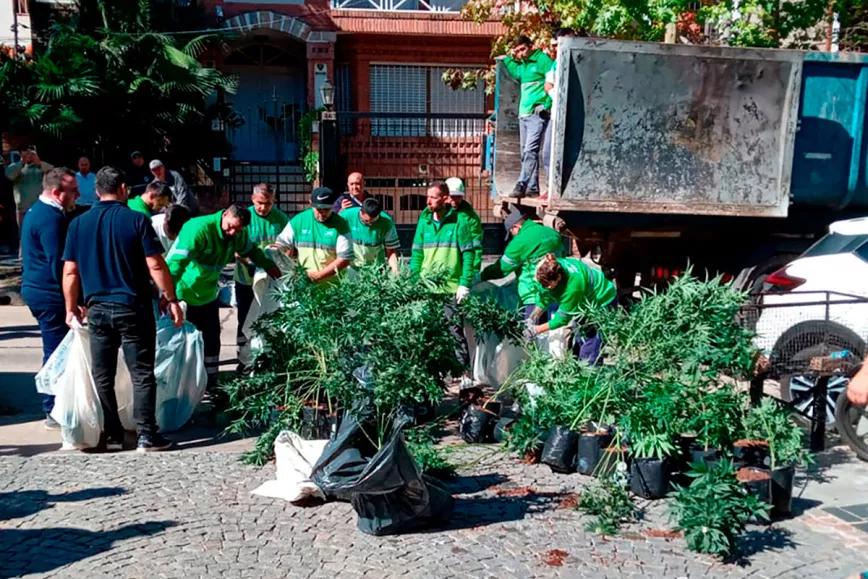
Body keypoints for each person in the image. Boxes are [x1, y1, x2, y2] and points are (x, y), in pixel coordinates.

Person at [62, 166, 184, 452]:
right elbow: (155, 264)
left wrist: (71, 308)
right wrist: (171, 297)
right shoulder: (136, 221)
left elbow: (70, 271)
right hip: (133, 306)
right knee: (141, 373)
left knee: (102, 374)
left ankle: (112, 434)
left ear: (96, 190)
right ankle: (146, 435)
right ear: (123, 189)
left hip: (97, 309)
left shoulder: (78, 224)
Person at [166, 204, 281, 397]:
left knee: (212, 339)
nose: (233, 232)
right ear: (225, 214)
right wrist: (170, 298)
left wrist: (271, 268)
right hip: (184, 293)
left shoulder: (238, 235)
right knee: (185, 343)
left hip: (209, 294)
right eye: (230, 226)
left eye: (238, 229)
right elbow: (176, 265)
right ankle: (182, 384)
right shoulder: (198, 229)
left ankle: (211, 383)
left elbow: (252, 252)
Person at [21, 168, 79, 428]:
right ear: (56, 192)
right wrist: (74, 301)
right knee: (57, 352)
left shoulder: (38, 210)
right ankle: (52, 408)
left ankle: (54, 404)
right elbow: (60, 264)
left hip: (37, 290)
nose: (77, 195)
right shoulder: (51, 219)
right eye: (73, 191)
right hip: (49, 295)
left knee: (56, 349)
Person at [235, 183, 289, 369]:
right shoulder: (244, 218)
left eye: (268, 203)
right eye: (260, 203)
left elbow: (288, 247)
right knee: (245, 320)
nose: (263, 207)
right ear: (252, 199)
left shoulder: (281, 219)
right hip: (245, 279)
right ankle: (243, 360)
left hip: (271, 281)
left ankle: (268, 357)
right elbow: (235, 248)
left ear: (274, 201)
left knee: (270, 317)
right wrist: (250, 264)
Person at [529, 253, 617, 364]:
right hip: (584, 302)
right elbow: (545, 294)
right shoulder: (552, 267)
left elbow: (561, 319)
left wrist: (535, 330)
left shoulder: (573, 286)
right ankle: (578, 369)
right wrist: (533, 316)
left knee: (591, 344)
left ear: (559, 278)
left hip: (602, 301)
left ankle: (590, 375)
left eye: (549, 285)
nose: (547, 287)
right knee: (580, 339)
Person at [480, 211, 565, 317]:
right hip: (558, 292)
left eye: (511, 232)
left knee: (532, 330)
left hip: (534, 295)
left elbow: (501, 269)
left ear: (516, 227)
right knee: (554, 329)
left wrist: (482, 275)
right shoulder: (552, 233)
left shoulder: (519, 242)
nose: (512, 236)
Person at [502, 36, 554, 198]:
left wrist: (545, 106)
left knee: (530, 150)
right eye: (517, 51)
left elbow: (552, 81)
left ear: (531, 46)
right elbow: (515, 72)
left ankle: (522, 183)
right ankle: (532, 188)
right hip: (523, 115)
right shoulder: (522, 66)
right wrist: (509, 57)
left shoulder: (542, 60)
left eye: (522, 49)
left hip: (536, 113)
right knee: (526, 152)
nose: (520, 54)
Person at [410, 182, 476, 300]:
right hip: (426, 287)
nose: (428, 201)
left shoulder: (460, 222)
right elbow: (417, 254)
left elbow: (468, 254)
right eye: (428, 197)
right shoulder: (424, 222)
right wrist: (414, 280)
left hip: (451, 288)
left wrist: (464, 283)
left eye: (433, 198)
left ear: (445, 199)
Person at [276, 187, 353, 284]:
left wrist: (318, 276)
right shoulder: (299, 220)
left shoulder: (341, 225)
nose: (323, 213)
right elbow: (281, 244)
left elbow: (344, 259)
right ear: (310, 203)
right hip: (304, 285)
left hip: (332, 288)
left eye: (327, 209)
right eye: (319, 209)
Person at [343, 197, 400, 274]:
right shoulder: (347, 215)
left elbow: (391, 250)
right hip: (352, 267)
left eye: (373, 221)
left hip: (376, 268)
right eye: (366, 221)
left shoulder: (387, 222)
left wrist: (395, 270)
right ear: (361, 211)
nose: (369, 224)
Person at [5, 146, 54, 227]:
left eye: (30, 151)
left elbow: (53, 175)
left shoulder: (41, 166)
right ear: (20, 154)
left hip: (40, 208)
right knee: (25, 234)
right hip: (23, 209)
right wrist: (22, 162)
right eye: (25, 151)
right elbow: (10, 176)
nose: (28, 154)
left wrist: (39, 163)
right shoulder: (14, 166)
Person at [445, 177, 484, 274]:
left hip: (461, 266)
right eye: (452, 196)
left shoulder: (471, 218)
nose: (454, 200)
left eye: (458, 196)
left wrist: (473, 270)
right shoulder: (434, 215)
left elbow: (475, 246)